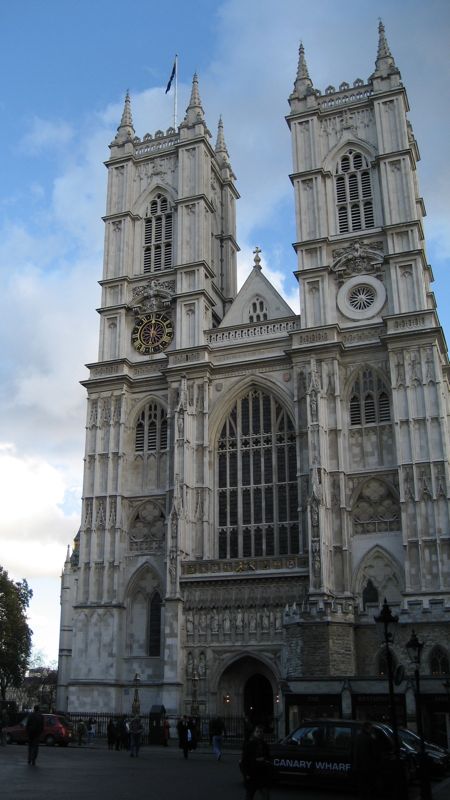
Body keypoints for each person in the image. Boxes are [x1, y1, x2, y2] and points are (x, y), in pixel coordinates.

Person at [240, 724, 272, 800]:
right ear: (254, 733)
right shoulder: (249, 745)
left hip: (262, 774)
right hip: (252, 775)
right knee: (249, 796)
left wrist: (266, 761)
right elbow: (244, 761)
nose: (259, 733)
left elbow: (268, 757)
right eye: (257, 732)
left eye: (261, 732)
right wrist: (246, 774)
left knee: (266, 796)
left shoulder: (265, 745)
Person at [354, 721, 380, 800]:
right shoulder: (370, 738)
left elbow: (355, 751)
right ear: (368, 728)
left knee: (362, 785)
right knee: (369, 785)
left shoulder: (358, 737)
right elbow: (374, 753)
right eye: (371, 728)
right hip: (368, 766)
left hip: (360, 765)